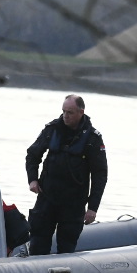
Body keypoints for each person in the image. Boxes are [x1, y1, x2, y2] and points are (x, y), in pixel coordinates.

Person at [24, 93, 107, 255]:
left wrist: (93, 207)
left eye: (70, 113)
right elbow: (32, 155)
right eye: (64, 112)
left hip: (73, 203)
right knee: (38, 242)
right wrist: (32, 179)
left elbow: (100, 175)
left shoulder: (92, 138)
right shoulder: (52, 129)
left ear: (81, 112)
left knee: (67, 247)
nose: (65, 116)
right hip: (47, 197)